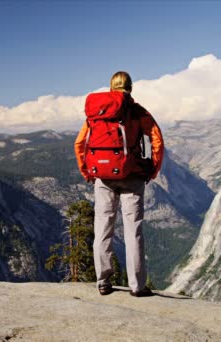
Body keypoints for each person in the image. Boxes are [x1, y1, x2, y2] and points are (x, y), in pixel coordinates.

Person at [74, 71, 164, 296]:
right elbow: (156, 139)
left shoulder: (97, 112)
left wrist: (86, 170)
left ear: (111, 88)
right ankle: (137, 286)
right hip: (132, 176)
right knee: (133, 230)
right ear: (130, 88)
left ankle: (103, 282)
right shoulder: (137, 111)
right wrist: (154, 168)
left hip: (103, 177)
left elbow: (79, 143)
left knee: (103, 228)